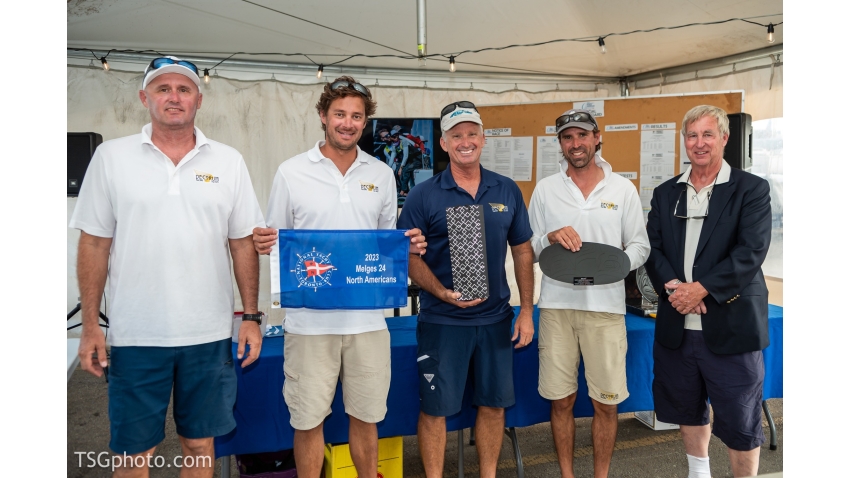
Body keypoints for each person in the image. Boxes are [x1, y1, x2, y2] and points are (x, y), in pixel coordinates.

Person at [70, 56, 266, 477]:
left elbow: (243, 242)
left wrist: (250, 316)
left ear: (198, 99)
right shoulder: (111, 157)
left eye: (183, 89)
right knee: (134, 453)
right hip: (136, 335)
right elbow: (94, 243)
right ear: (145, 98)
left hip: (208, 335)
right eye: (163, 89)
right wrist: (90, 326)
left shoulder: (227, 160)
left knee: (199, 444)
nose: (173, 97)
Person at [250, 76, 426, 478]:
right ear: (323, 117)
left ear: (365, 123)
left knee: (366, 418)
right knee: (307, 420)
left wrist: (408, 245)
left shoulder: (381, 174)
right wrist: (263, 240)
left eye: (356, 117)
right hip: (308, 325)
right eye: (340, 114)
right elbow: (276, 238)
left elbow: (385, 244)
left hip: (367, 323)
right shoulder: (291, 172)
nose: (347, 123)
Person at [397, 101, 535, 478]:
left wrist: (525, 310)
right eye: (456, 135)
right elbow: (407, 257)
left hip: (495, 321)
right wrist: (440, 291)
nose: (465, 141)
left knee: (493, 406)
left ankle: (488, 474)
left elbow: (522, 250)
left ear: (483, 138)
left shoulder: (506, 190)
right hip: (443, 322)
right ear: (443, 143)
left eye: (472, 133)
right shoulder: (422, 196)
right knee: (435, 409)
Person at [644, 105, 772, 478]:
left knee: (740, 421)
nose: (699, 144)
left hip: (731, 328)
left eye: (707, 135)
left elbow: (750, 252)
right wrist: (676, 291)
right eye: (692, 136)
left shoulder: (751, 189)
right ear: (684, 141)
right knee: (686, 408)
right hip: (677, 327)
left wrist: (700, 290)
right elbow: (653, 248)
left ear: (724, 139)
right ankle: (698, 473)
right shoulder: (667, 192)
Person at [528, 109, 650, 478]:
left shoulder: (622, 189)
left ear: (598, 138)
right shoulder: (546, 189)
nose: (575, 144)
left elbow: (640, 247)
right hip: (556, 308)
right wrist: (547, 238)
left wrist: (612, 266)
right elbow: (528, 247)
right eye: (567, 137)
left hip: (606, 310)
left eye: (582, 136)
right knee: (561, 400)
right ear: (560, 144)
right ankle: (567, 474)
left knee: (606, 403)